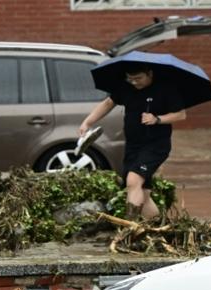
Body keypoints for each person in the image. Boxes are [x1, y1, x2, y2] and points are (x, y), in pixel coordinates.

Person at [79, 63, 186, 220]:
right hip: (133, 146)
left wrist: (157, 119)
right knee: (143, 192)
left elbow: (181, 115)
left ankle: (129, 227)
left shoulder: (165, 89)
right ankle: (158, 225)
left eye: (138, 78)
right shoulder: (126, 87)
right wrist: (87, 122)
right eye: (131, 79)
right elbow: (108, 103)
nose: (135, 82)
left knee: (133, 180)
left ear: (149, 74)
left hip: (156, 145)